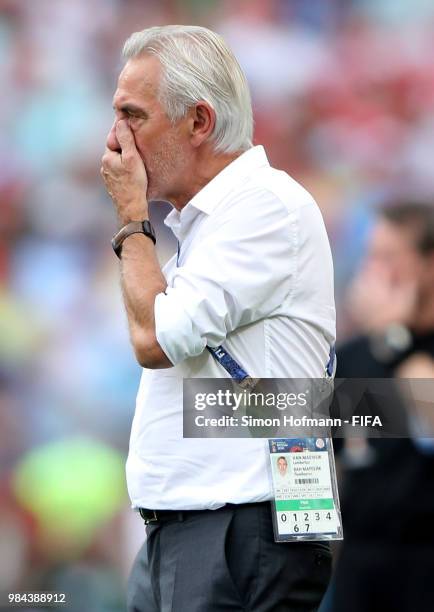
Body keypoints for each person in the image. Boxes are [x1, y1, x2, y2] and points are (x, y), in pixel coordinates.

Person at [101, 25, 335, 612]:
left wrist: (132, 219)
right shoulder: (210, 223)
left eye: (134, 116)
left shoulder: (262, 206)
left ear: (199, 121)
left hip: (238, 525)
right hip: (193, 525)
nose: (114, 141)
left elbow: (153, 339)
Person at [324, 201, 434, 612]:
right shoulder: (354, 355)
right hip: (361, 564)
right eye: (371, 256)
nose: (373, 271)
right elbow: (324, 453)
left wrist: (392, 339)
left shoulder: (396, 347)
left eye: (389, 257)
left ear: (428, 263)